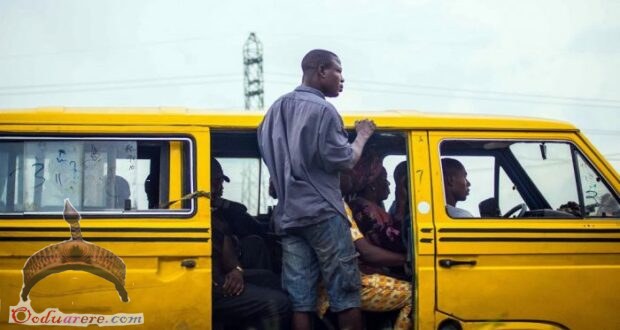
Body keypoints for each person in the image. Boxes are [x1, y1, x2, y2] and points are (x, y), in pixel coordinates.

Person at [257, 49, 376, 330]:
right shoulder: (324, 110)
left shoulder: (272, 111)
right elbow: (346, 160)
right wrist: (362, 135)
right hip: (323, 213)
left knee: (301, 299)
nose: (342, 79)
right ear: (321, 70)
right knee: (345, 293)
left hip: (288, 217)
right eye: (338, 71)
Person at [211, 212, 290, 330]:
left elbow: (230, 260)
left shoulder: (214, 218)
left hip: (220, 278)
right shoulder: (196, 219)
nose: (218, 192)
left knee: (272, 280)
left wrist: (237, 270)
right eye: (213, 191)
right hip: (209, 287)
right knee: (279, 303)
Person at [211, 157, 272, 270]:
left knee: (254, 242)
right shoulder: (209, 212)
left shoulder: (218, 208)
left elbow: (240, 209)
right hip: (224, 266)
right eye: (218, 182)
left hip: (232, 256)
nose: (221, 187)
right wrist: (237, 270)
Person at [347, 151, 406, 254]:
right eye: (384, 179)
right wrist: (401, 205)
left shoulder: (374, 206)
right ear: (372, 185)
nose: (388, 183)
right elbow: (395, 244)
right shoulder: (365, 210)